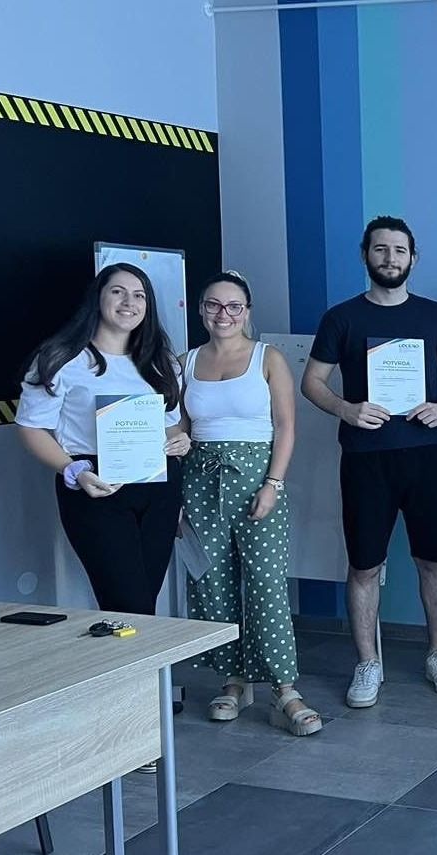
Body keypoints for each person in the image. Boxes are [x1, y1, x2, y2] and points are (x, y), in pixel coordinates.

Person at [301, 215, 437, 709]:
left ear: (413, 257)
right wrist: (346, 409)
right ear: (365, 255)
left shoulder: (436, 315)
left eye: (399, 250)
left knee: (433, 561)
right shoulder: (342, 318)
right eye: (380, 249)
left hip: (428, 455)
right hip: (366, 458)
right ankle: (368, 663)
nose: (390, 258)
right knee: (364, 565)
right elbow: (312, 382)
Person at [180, 271, 321, 736]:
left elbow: (286, 427)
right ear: (202, 309)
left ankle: (285, 689)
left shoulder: (268, 358)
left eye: (233, 306)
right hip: (200, 481)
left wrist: (273, 483)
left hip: (258, 479)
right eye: (213, 305)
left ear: (247, 312)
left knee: (265, 582)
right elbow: (180, 427)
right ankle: (234, 681)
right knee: (211, 582)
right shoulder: (186, 362)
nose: (223, 314)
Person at [16, 262, 191, 616]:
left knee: (145, 604)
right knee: (127, 604)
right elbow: (31, 427)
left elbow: (170, 425)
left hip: (158, 485)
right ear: (98, 298)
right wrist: (73, 470)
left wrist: (180, 440)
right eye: (118, 292)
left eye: (139, 296)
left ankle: (140, 656)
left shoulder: (161, 362)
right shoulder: (61, 359)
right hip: (94, 483)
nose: (129, 303)